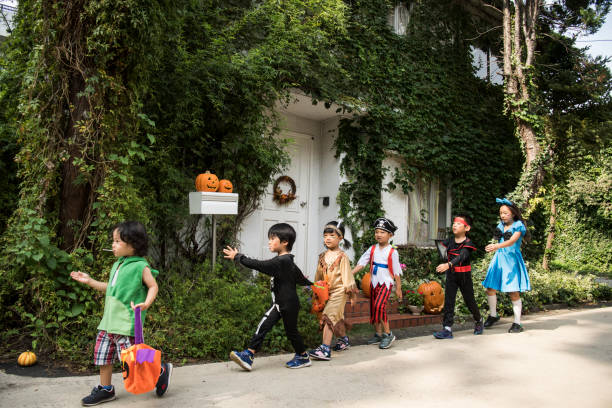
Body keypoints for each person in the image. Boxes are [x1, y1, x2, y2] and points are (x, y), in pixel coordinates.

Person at [70, 221, 172, 406]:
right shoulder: (117, 265)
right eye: (113, 241)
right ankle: (106, 389)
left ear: (132, 244)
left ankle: (160, 370)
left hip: (126, 324)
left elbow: (153, 286)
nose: (113, 244)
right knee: (103, 357)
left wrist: (147, 303)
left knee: (134, 361)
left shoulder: (141, 266)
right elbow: (110, 289)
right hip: (108, 322)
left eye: (117, 241)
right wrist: (90, 281)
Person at [224, 223, 314, 370]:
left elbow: (259, 265)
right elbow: (298, 275)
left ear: (285, 242)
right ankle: (301, 356)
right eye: (269, 238)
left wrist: (238, 257)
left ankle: (250, 354)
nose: (269, 242)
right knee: (275, 328)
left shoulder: (282, 261)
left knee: (277, 328)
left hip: (284, 304)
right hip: (286, 303)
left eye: (273, 238)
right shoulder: (287, 260)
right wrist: (309, 283)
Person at [352, 217, 403, 349]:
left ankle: (388, 334)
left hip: (386, 283)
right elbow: (362, 263)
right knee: (374, 308)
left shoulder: (393, 251)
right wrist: (350, 273)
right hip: (374, 282)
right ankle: (378, 334)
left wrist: (398, 288)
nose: (379, 235)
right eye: (377, 232)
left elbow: (396, 271)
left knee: (380, 306)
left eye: (382, 232)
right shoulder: (373, 248)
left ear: (390, 235)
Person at [308, 221, 357, 360]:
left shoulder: (342, 257)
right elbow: (318, 276)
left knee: (329, 316)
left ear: (340, 238)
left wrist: (352, 295)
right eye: (325, 236)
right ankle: (343, 340)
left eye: (331, 235)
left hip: (340, 292)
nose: (328, 238)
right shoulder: (322, 256)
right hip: (326, 291)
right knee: (337, 318)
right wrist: (316, 290)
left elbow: (348, 277)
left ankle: (325, 349)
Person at [482, 198, 531, 333]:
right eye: (501, 213)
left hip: (511, 260)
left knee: (513, 292)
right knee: (490, 288)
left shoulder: (519, 225)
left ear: (513, 214)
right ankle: (493, 315)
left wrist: (496, 246)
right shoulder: (500, 225)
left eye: (505, 213)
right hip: (499, 259)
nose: (502, 215)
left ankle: (517, 323)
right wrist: (493, 246)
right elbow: (498, 238)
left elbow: (511, 241)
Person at [433, 214, 483, 339]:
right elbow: (445, 254)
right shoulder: (449, 241)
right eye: (454, 223)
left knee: (469, 300)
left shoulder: (468, 243)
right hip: (452, 275)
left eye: (459, 223)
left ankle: (479, 320)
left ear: (467, 228)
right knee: (449, 301)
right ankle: (447, 329)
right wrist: (444, 259)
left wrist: (448, 264)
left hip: (464, 276)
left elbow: (462, 256)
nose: (455, 225)